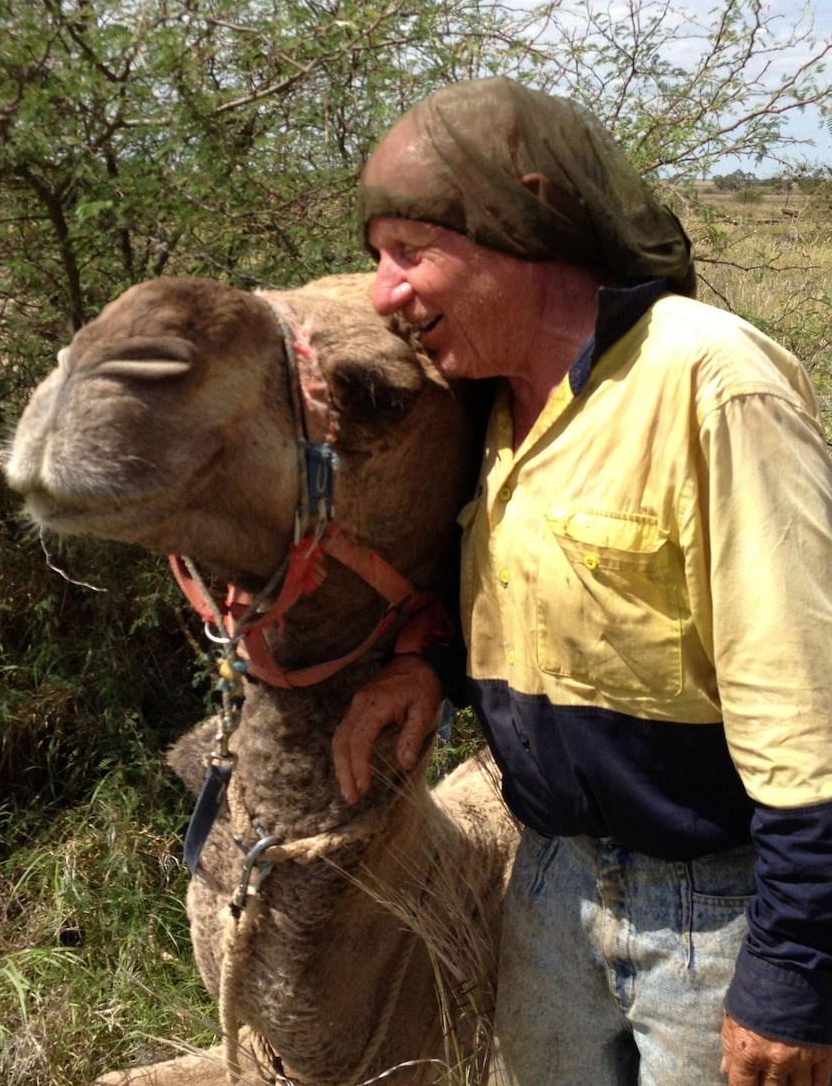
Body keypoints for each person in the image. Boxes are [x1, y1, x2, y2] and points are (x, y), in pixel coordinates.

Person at [330, 76, 832, 1086]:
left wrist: (796, 965)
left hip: (719, 905)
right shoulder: (490, 406)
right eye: (375, 257)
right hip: (549, 881)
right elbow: (552, 602)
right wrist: (432, 667)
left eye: (410, 254)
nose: (384, 294)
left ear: (527, 221)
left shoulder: (709, 382)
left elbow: (806, 701)